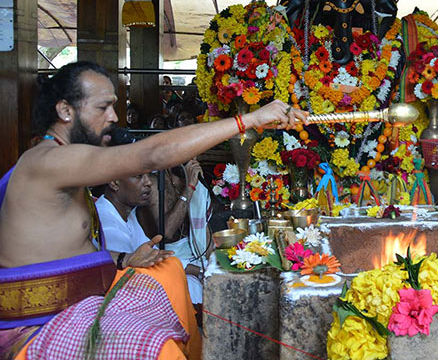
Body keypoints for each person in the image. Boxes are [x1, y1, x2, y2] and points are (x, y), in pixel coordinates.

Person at [0, 61, 307, 359]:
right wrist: (247, 121)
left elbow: (63, 249)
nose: (113, 117)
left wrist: (124, 259)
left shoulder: (65, 162)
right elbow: (152, 155)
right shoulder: (48, 161)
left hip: (79, 300)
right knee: (157, 347)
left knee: (169, 269)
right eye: (102, 108)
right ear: (65, 110)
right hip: (38, 323)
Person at [96, 170, 204, 306]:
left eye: (147, 175)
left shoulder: (127, 214)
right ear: (114, 183)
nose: (148, 183)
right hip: (128, 303)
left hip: (140, 288)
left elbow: (154, 256)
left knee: (192, 283)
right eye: (138, 176)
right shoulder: (108, 225)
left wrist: (201, 272)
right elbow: (126, 281)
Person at [137, 160, 210, 305]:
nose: (193, 159)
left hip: (195, 258)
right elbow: (167, 232)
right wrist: (189, 188)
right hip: (166, 263)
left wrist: (212, 265)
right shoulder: (154, 183)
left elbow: (203, 231)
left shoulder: (192, 180)